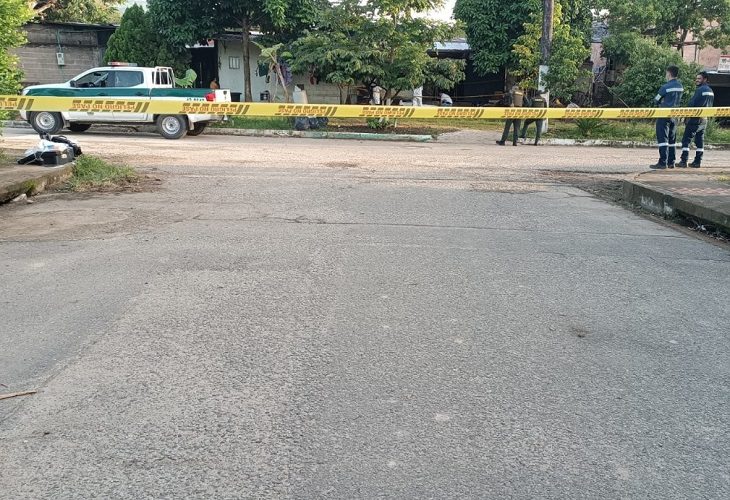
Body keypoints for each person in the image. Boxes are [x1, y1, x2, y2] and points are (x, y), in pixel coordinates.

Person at [678, 71, 714, 168]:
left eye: (699, 79)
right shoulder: (711, 91)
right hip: (704, 119)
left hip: (695, 119)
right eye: (696, 78)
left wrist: (686, 116)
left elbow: (691, 104)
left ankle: (683, 161)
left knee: (686, 140)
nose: (696, 80)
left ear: (705, 79)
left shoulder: (700, 90)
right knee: (700, 141)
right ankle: (697, 162)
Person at [650, 65, 684, 169]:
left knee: (663, 138)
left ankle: (662, 162)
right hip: (675, 115)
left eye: (666, 74)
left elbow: (656, 100)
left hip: (664, 115)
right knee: (672, 139)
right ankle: (671, 162)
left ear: (669, 74)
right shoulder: (680, 86)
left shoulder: (665, 87)